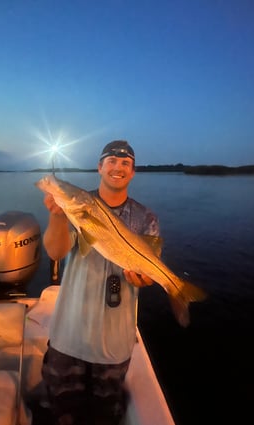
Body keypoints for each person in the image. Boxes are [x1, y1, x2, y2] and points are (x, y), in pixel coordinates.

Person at [41, 140, 160, 425]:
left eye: (125, 163)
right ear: (99, 167)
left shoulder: (146, 218)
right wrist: (57, 216)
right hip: (69, 335)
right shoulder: (79, 205)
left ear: (132, 172)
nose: (118, 167)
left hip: (114, 344)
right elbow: (55, 252)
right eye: (111, 161)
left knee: (103, 416)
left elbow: (150, 268)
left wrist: (147, 279)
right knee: (60, 412)